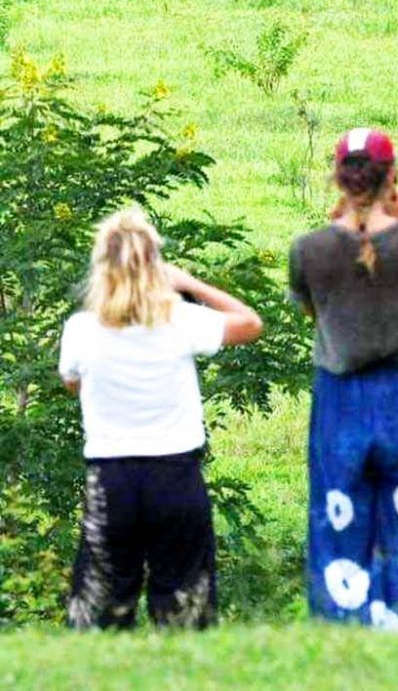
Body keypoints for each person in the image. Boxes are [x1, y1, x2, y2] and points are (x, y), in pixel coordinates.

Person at [58, 207, 264, 631]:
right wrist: (189, 283)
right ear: (156, 265)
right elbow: (249, 323)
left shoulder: (81, 328)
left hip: (110, 479)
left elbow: (74, 384)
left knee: (100, 612)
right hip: (175, 475)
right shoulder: (180, 319)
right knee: (186, 608)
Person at [289, 128, 398, 632]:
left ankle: (343, 619)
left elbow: (315, 308)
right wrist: (396, 215)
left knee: (338, 511)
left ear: (337, 178)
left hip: (341, 396)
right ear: (392, 176)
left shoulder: (309, 249)